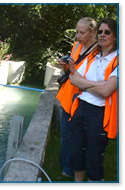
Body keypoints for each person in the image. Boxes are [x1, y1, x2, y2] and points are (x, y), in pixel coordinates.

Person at [68, 18, 118, 181]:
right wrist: (99, 85)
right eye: (100, 31)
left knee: (94, 158)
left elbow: (106, 91)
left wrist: (86, 84)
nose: (102, 35)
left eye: (107, 32)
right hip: (81, 108)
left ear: (116, 36)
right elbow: (74, 78)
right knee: (77, 153)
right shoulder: (93, 56)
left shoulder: (118, 60)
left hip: (100, 113)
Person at [56, 17, 98, 177]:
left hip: (82, 99)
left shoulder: (98, 52)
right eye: (76, 32)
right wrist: (65, 65)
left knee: (76, 137)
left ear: (92, 32)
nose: (77, 36)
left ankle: (69, 169)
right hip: (67, 95)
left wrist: (72, 69)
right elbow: (70, 70)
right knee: (66, 135)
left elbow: (89, 78)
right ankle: (65, 166)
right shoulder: (76, 45)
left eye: (81, 33)